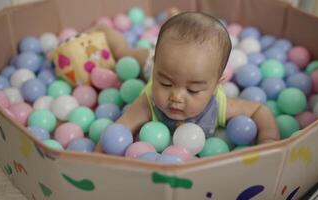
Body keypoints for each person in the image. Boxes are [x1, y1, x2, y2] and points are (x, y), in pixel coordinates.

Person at [95, 12, 279, 152]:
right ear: (157, 71)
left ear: (216, 87)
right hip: (151, 61)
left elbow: (259, 110)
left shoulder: (219, 106)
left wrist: (268, 141)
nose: (176, 96)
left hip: (169, 64)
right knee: (123, 52)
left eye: (192, 90)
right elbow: (116, 132)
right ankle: (102, 29)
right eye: (166, 84)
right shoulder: (147, 102)